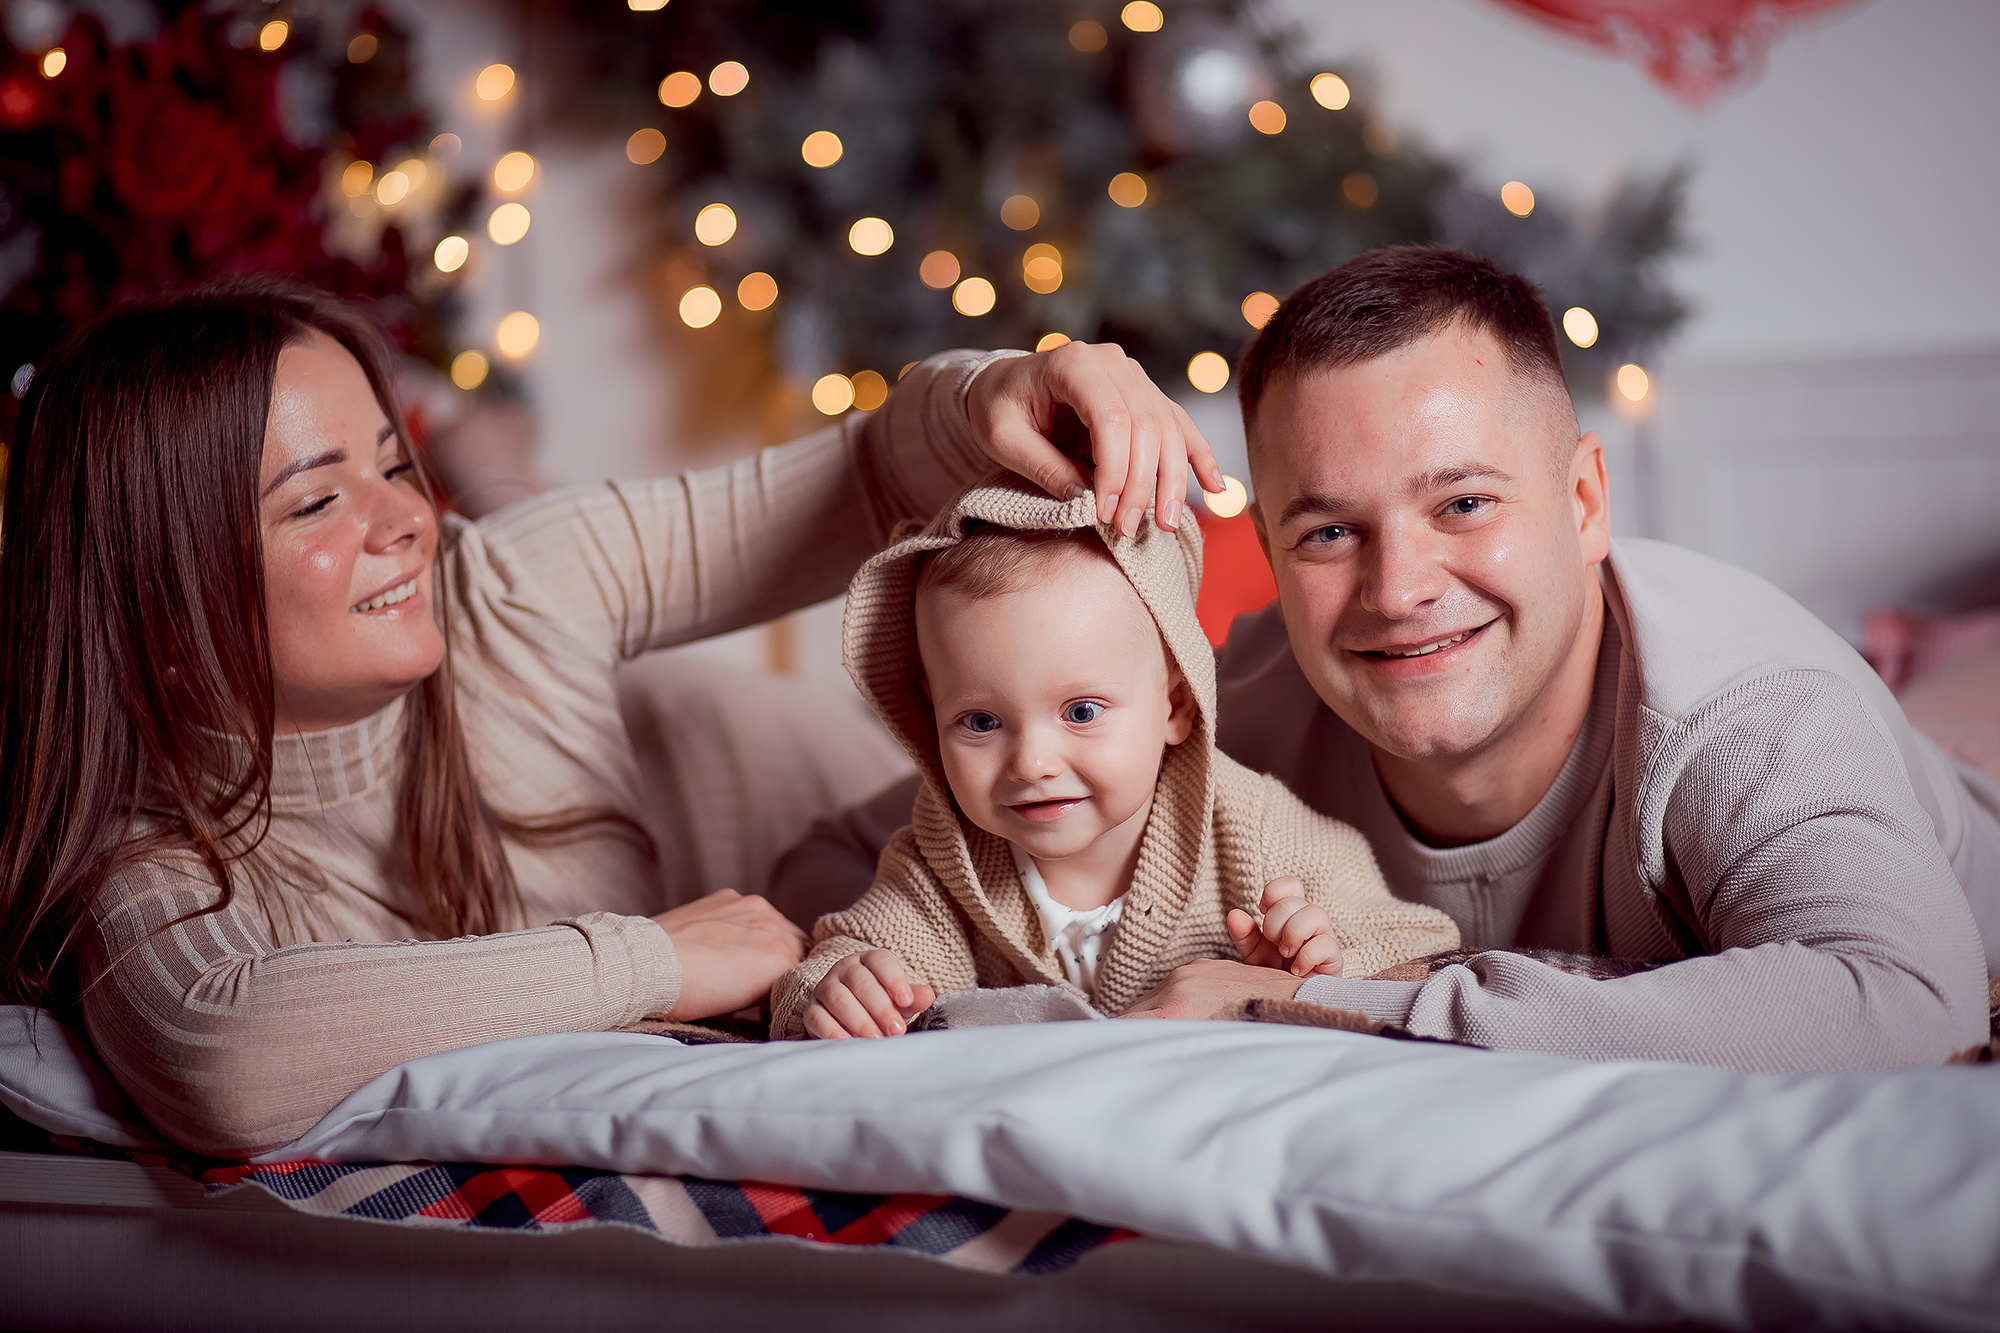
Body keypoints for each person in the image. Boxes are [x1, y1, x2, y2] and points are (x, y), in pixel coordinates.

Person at [0, 278, 1223, 1157]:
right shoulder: (150, 861)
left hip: (858, 827)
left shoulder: (511, 581)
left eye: (394, 462)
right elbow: (230, 1058)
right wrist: (655, 958)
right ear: (158, 581)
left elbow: (860, 479)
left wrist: (1004, 389)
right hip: (799, 926)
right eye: (317, 502)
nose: (404, 521)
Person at [775, 247, 1999, 1070]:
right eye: (1326, 531)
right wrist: (847, 966)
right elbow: (853, 856)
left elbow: (1908, 1001)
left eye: (1462, 503)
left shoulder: (1746, 716)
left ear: (1581, 501)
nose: (1398, 591)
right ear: (1264, 546)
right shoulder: (1231, 715)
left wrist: (1308, 1002)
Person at [769, 475, 1459, 1041]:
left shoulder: (1253, 831)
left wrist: (1316, 966)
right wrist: (836, 987)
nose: (1032, 761)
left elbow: (1418, 943)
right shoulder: (942, 865)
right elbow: (837, 956)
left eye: (1081, 712)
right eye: (980, 721)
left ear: (1175, 704)